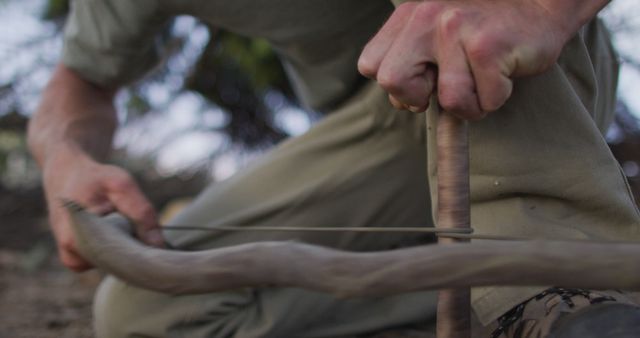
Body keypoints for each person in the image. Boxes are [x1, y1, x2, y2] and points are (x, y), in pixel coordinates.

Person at [27, 0, 640, 337]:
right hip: (376, 132)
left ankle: (570, 301)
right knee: (149, 311)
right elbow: (78, 85)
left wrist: (541, 7)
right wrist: (63, 159)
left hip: (520, 82)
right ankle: (496, 308)